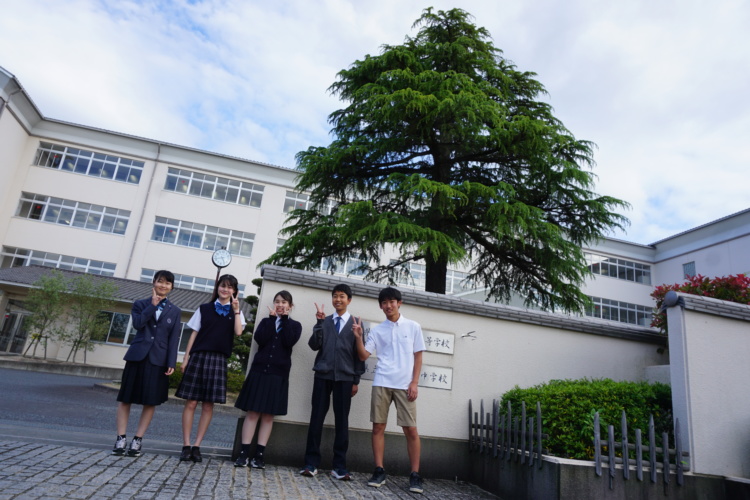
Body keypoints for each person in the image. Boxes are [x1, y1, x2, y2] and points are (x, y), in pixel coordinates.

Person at [352, 286, 426, 494]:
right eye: (384, 302)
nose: (388, 305)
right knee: (378, 427)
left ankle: (415, 475)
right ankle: (379, 470)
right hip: (382, 381)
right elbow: (363, 355)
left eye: (392, 301)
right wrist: (358, 337)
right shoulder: (377, 330)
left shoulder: (413, 327)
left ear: (399, 303)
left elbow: (418, 356)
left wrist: (414, 382)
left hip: (405, 385)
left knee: (410, 429)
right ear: (380, 306)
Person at [176, 274, 246, 463]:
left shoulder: (235, 311)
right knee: (191, 402)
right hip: (198, 357)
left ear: (234, 291)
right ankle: (186, 445)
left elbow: (239, 332)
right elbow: (193, 334)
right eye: (223, 286)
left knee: (208, 405)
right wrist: (185, 358)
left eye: (230, 287)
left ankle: (197, 446)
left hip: (218, 360)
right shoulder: (204, 309)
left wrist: (237, 311)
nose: (225, 290)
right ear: (217, 288)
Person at [113, 270, 182, 457]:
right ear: (153, 283)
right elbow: (138, 324)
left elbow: (173, 339)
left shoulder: (175, 311)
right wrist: (152, 306)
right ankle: (120, 438)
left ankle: (137, 440)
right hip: (137, 356)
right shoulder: (140, 304)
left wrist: (171, 362)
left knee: (150, 402)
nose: (163, 285)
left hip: (158, 360)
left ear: (172, 287)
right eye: (160, 282)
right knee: (125, 398)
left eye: (168, 283)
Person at [300, 284, 365, 480]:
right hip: (322, 375)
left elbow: (359, 356)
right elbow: (314, 345)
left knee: (342, 421)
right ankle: (311, 463)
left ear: (349, 300)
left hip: (345, 379)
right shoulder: (326, 321)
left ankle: (339, 467)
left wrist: (356, 380)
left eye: (342, 296)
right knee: (316, 418)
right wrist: (318, 323)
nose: (338, 300)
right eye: (335, 296)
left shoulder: (356, 324)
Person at [234, 290, 301, 468]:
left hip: (278, 375)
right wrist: (272, 321)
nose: (280, 305)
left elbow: (288, 342)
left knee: (268, 416)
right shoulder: (265, 322)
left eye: (284, 302)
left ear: (290, 306)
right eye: (277, 301)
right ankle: (243, 453)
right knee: (252, 413)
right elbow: (260, 340)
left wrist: (284, 321)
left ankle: (259, 455)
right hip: (259, 372)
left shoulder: (295, 326)